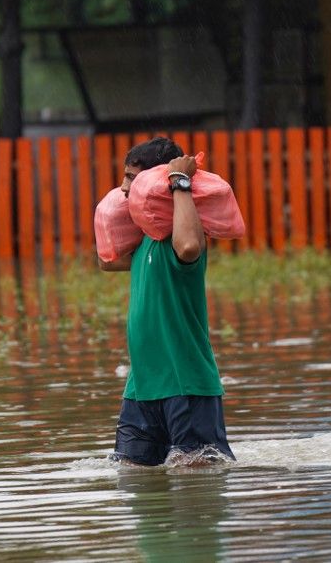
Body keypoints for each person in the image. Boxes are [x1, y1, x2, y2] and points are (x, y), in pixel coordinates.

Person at [99, 137, 234, 467]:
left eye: (132, 178)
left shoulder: (186, 237)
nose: (124, 188)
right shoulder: (145, 241)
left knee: (196, 488)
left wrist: (179, 182)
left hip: (185, 385)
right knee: (132, 481)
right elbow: (107, 260)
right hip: (141, 389)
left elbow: (188, 246)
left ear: (154, 181)